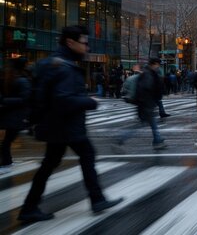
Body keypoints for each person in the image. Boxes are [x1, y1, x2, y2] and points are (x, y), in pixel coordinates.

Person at [18, 26, 123, 223]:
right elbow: (63, 99)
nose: (87, 47)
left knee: (50, 164)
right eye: (84, 43)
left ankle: (29, 207)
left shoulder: (54, 63)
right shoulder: (64, 67)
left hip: (55, 125)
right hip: (65, 125)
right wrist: (90, 102)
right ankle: (97, 199)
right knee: (86, 155)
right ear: (70, 42)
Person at [116, 57, 167, 150]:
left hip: (146, 104)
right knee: (140, 125)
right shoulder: (148, 74)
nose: (158, 67)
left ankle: (157, 140)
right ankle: (121, 139)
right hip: (146, 105)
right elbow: (146, 89)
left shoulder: (147, 73)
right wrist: (150, 101)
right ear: (154, 64)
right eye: (158, 64)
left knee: (152, 123)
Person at [1, 57, 31, 173]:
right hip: (12, 116)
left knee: (6, 142)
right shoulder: (16, 79)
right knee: (6, 142)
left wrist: (4, 100)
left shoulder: (21, 80)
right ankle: (6, 162)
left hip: (16, 116)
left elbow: (24, 99)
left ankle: (6, 164)